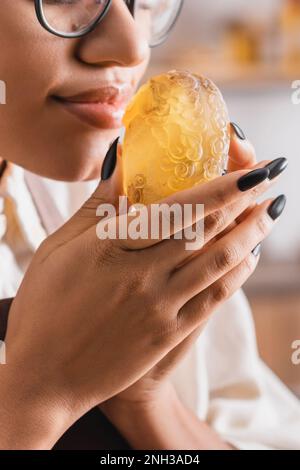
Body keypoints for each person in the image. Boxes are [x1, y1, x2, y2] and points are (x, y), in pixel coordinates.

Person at [0, 0, 299, 450]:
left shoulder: (139, 220)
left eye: (148, 2)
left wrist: (145, 397)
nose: (132, 45)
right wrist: (39, 396)